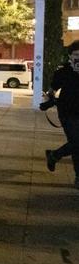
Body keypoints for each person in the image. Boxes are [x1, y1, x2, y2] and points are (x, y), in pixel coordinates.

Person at [42, 40, 79, 189]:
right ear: (70, 56)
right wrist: (49, 101)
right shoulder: (63, 71)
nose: (78, 58)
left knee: (76, 145)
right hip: (67, 113)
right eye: (76, 55)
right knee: (76, 142)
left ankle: (54, 155)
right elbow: (52, 90)